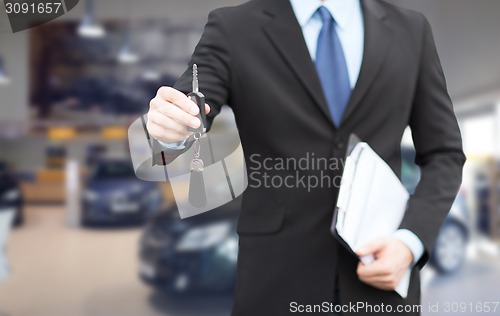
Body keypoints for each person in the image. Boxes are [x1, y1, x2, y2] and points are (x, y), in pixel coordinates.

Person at [144, 0, 466, 315]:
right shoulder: (233, 27)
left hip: (382, 274)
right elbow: (191, 103)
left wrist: (410, 242)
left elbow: (444, 154)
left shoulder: (412, 30)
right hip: (275, 280)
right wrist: (172, 128)